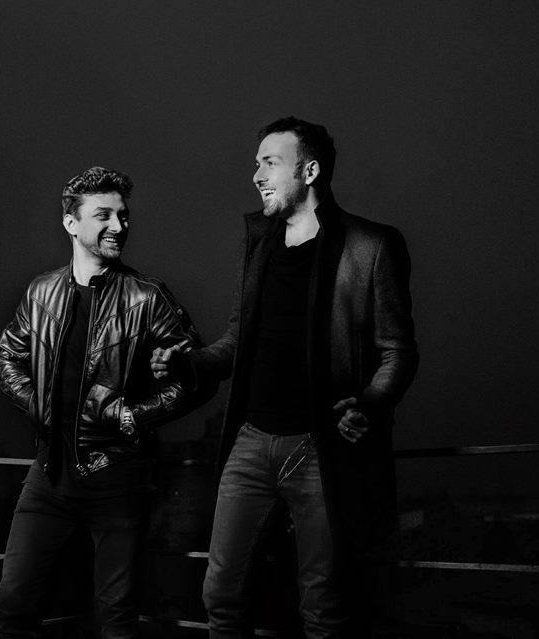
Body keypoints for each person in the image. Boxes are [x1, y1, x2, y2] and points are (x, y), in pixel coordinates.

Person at [151, 117, 419, 638]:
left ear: (309, 171)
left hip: (321, 450)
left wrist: (371, 403)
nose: (256, 175)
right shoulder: (259, 244)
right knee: (220, 595)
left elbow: (398, 352)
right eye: (257, 164)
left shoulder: (372, 245)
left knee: (322, 605)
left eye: (270, 163)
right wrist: (189, 363)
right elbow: (237, 341)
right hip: (250, 443)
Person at [0, 166, 203, 638]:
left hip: (118, 480)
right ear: (71, 222)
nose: (118, 226)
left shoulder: (148, 297)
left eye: (123, 216)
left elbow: (196, 376)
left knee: (115, 615)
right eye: (103, 215)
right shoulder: (41, 291)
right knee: (14, 601)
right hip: (48, 476)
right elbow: (7, 356)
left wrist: (133, 416)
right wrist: (38, 406)